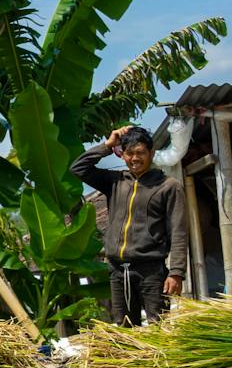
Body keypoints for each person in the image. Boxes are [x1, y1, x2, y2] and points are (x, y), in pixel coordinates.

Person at [72, 125, 188, 325]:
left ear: (151, 153)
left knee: (159, 328)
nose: (135, 158)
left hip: (151, 272)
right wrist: (108, 144)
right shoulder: (115, 181)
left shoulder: (168, 186)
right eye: (130, 153)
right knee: (125, 331)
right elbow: (78, 168)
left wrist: (177, 272)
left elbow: (179, 231)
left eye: (141, 153)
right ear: (122, 155)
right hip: (118, 271)